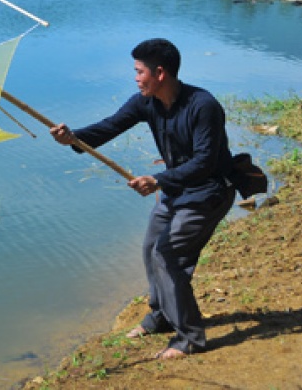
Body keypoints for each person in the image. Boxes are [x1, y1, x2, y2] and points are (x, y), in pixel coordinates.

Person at [50, 38, 235, 360]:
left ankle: (189, 338)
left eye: (139, 72)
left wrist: (158, 180)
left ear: (159, 72)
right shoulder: (145, 102)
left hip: (208, 193)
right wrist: (73, 138)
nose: (135, 78)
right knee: (151, 250)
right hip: (176, 191)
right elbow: (109, 127)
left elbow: (205, 162)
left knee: (168, 256)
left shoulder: (203, 106)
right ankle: (161, 318)